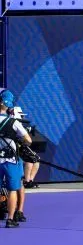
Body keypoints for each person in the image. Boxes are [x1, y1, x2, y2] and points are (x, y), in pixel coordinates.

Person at [0, 91, 32, 228]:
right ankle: (11, 219)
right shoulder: (13, 122)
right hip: (10, 160)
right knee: (13, 189)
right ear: (9, 105)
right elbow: (28, 140)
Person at [10, 107, 39, 189]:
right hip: (16, 146)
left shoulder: (18, 123)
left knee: (36, 160)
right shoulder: (12, 123)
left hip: (19, 145)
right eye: (21, 115)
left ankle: (30, 180)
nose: (22, 117)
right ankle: (26, 181)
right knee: (30, 160)